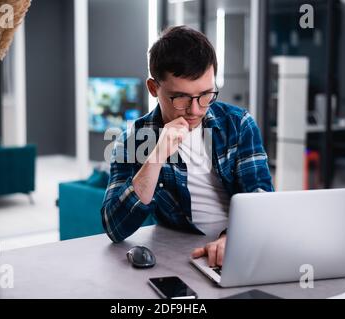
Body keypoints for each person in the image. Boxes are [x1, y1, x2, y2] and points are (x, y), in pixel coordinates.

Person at [101, 26, 274, 267]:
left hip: (241, 245)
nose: (195, 110)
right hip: (183, 255)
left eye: (205, 94)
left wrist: (232, 238)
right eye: (180, 97)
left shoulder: (238, 123)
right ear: (154, 89)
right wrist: (157, 155)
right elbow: (114, 227)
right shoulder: (132, 140)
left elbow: (261, 197)